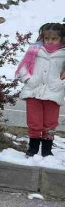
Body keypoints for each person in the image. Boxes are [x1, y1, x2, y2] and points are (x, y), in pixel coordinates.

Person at [16, 22, 65, 157]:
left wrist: (61, 83)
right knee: (34, 121)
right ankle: (33, 148)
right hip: (33, 91)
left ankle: (47, 151)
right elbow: (23, 67)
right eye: (46, 38)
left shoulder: (64, 54)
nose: (49, 41)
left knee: (50, 123)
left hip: (54, 92)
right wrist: (28, 79)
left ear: (62, 38)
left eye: (54, 39)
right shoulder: (35, 50)